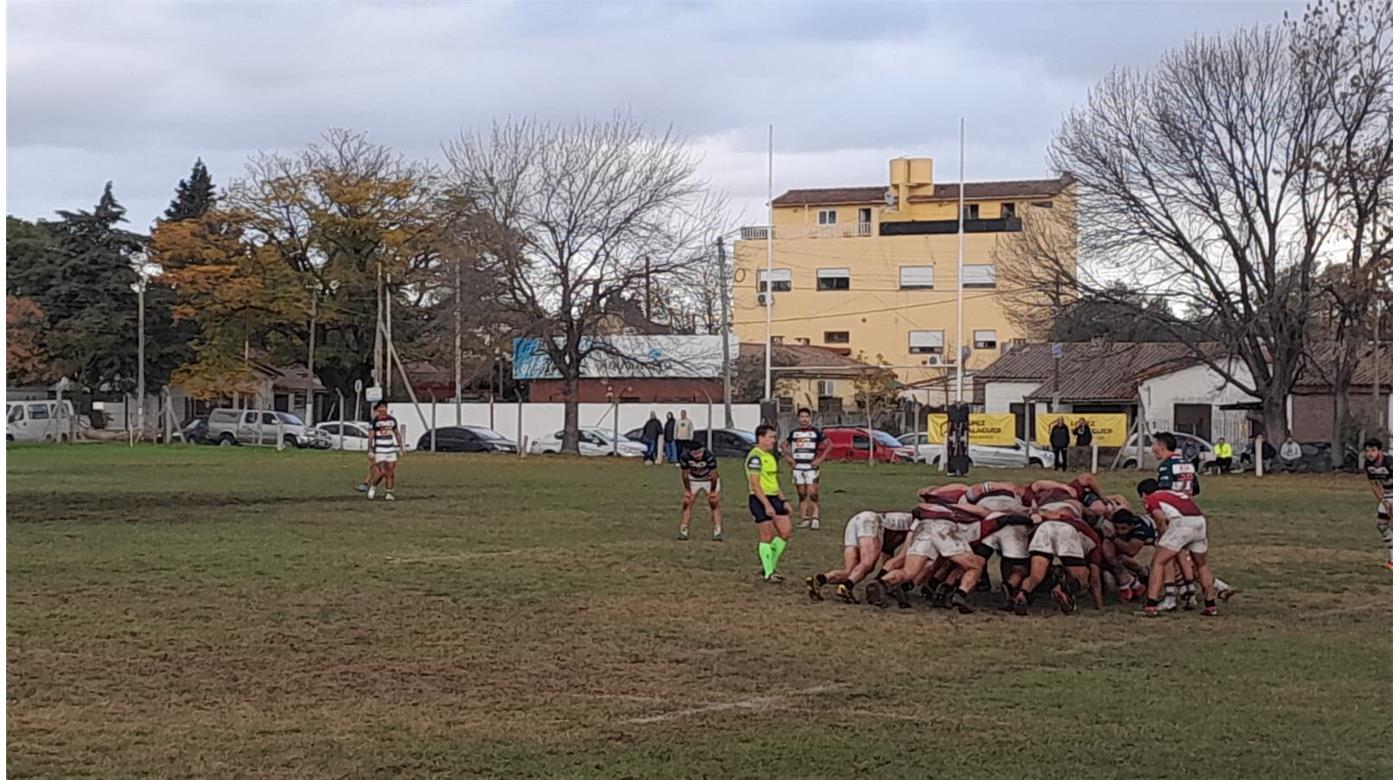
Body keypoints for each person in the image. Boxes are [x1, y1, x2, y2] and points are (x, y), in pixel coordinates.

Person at [1136, 478, 1219, 618]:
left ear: (1144, 494)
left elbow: (1159, 516)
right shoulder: (1172, 493)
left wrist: (1162, 537)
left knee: (1158, 562)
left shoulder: (1151, 498)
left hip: (1182, 523)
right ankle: (1211, 606)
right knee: (1201, 565)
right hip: (1199, 520)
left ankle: (1151, 605)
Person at [805, 510, 915, 603]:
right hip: (869, 521)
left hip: (858, 520)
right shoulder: (917, 527)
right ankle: (847, 587)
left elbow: (888, 553)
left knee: (850, 571)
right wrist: (880, 581)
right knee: (868, 563)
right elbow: (898, 559)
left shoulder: (908, 521)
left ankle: (820, 579)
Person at [747, 424, 793, 583]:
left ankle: (769, 565)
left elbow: (774, 481)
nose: (774, 440)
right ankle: (768, 572)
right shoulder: (755, 457)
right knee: (767, 535)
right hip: (759, 499)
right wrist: (766, 505)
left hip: (774, 497)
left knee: (786, 532)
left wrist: (783, 499)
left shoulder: (770, 456)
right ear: (761, 438)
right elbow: (755, 484)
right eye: (771, 437)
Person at [781, 408, 831, 530]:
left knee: (813, 493)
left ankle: (815, 518)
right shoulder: (794, 433)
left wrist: (820, 459)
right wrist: (788, 457)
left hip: (811, 468)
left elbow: (829, 444)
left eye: (806, 417)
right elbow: (783, 445)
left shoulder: (816, 432)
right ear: (798, 419)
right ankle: (804, 518)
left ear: (810, 418)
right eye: (802, 417)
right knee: (801, 493)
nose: (804, 419)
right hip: (798, 468)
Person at [678, 439, 723, 542]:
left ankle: (718, 531)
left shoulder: (709, 456)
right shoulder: (685, 456)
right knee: (687, 502)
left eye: (699, 452)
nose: (698, 455)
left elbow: (714, 474)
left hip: (709, 479)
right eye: (695, 453)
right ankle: (683, 530)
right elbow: (685, 474)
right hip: (693, 479)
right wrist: (687, 490)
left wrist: (712, 491)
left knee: (713, 503)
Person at [1362, 438, 1393, 570]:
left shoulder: (1390, 462)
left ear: (1380, 451)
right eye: (1367, 451)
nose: (1370, 454)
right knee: (1382, 525)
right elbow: (1374, 484)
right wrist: (1384, 501)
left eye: (1373, 450)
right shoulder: (1368, 465)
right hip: (1387, 494)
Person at [365, 401, 403, 501]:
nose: (382, 409)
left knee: (390, 473)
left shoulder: (392, 420)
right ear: (378, 410)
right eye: (380, 407)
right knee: (381, 472)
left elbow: (397, 433)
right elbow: (371, 436)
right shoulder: (375, 421)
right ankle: (372, 487)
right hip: (380, 450)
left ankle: (389, 493)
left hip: (390, 449)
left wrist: (400, 447)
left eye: (384, 407)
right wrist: (370, 450)